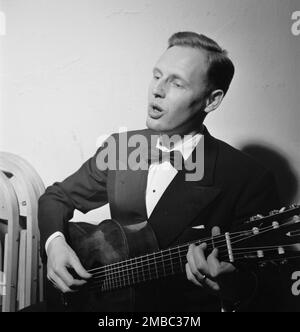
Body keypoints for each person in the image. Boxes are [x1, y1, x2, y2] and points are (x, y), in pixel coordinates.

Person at [37, 31, 282, 312]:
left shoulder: (249, 177)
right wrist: (55, 245)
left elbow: (266, 290)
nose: (157, 90)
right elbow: (56, 197)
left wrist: (232, 287)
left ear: (212, 101)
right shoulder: (123, 147)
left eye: (177, 83)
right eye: (157, 75)